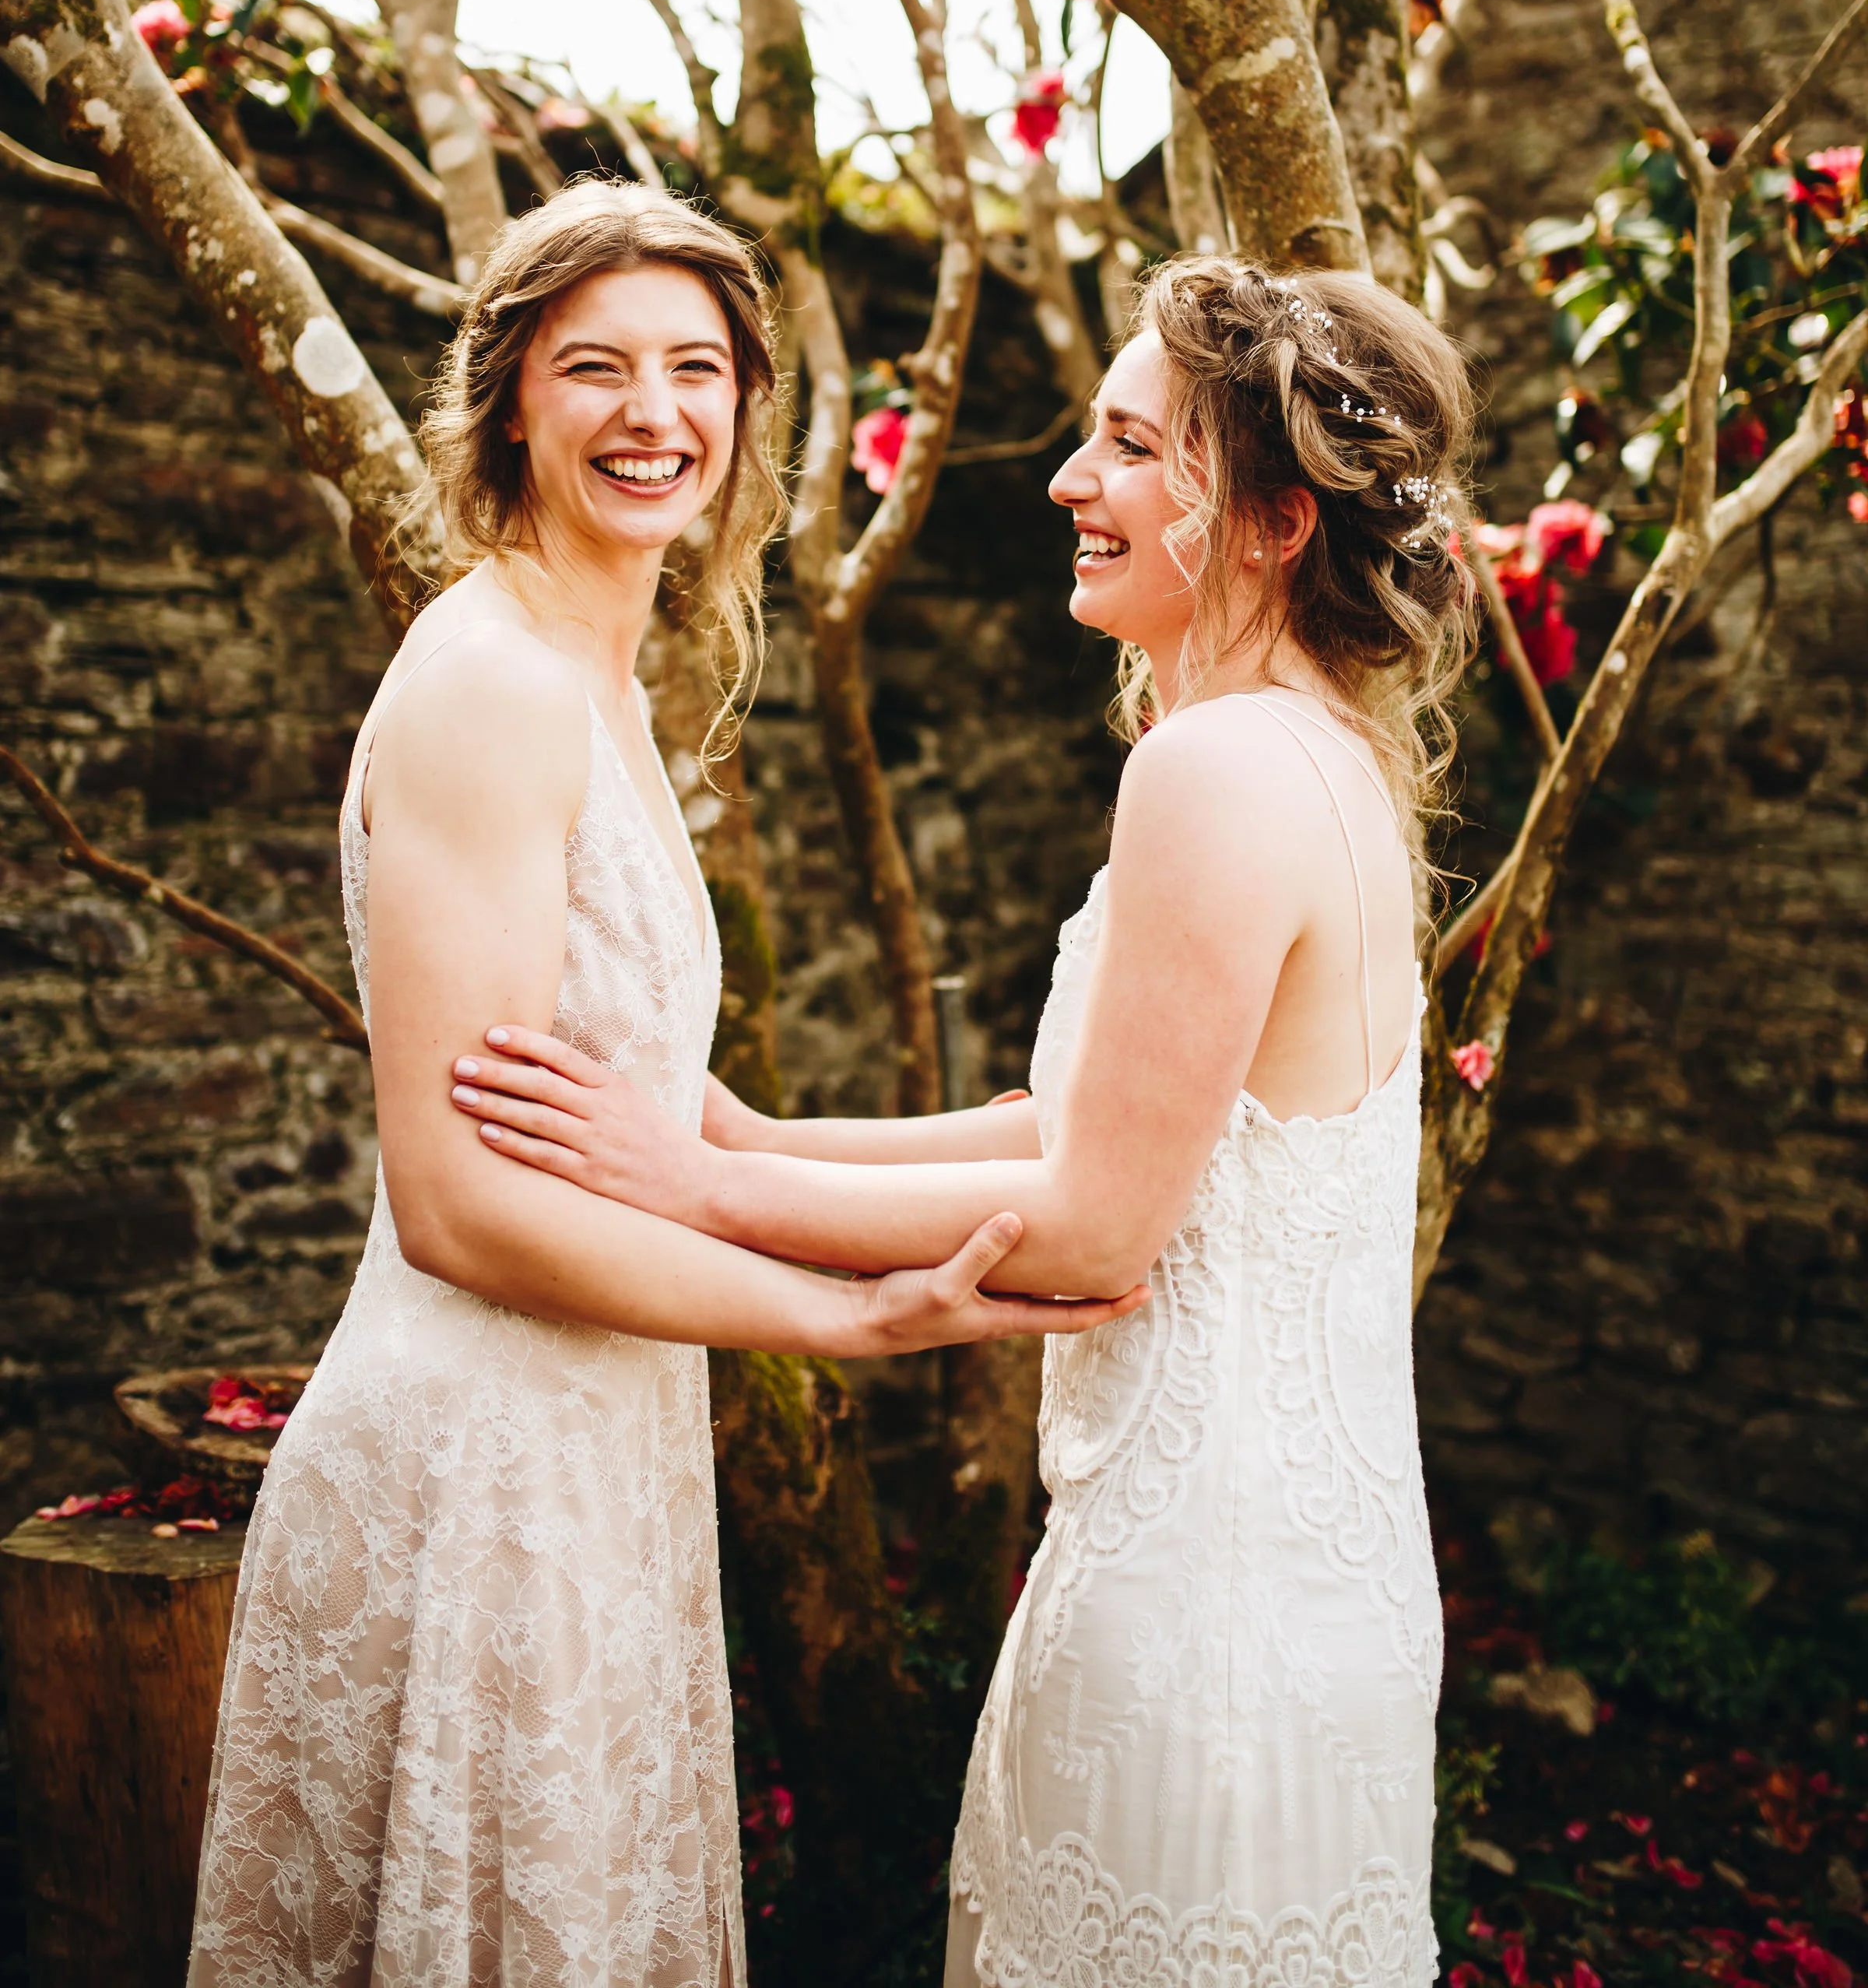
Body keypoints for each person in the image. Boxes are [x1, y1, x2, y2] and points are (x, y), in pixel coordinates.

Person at [455, 255, 1478, 1988]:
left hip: (1205, 1598)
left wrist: (698, 1189)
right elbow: (1066, 1119)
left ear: (1274, 523)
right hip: (1299, 1568)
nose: (1073, 484)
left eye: (1134, 451)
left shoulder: (1213, 775)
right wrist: (753, 1137)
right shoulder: (1313, 752)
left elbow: (1092, 1224)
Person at [187, 179, 1143, 1988]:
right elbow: (467, 1208)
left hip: (597, 1440)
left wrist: (1023, 1139)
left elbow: (697, 1122)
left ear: (747, 405)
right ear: (510, 400)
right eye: (598, 368)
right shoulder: (493, 688)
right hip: (478, 1471)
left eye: (696, 368)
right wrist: (852, 1318)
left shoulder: (597, 668)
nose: (656, 415)